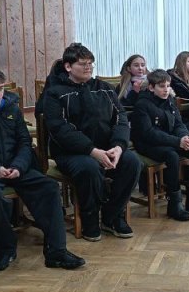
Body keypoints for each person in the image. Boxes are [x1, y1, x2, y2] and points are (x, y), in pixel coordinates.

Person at [0, 67, 85, 271]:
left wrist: (18, 166)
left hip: (15, 168)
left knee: (49, 187)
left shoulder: (12, 109)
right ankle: (6, 248)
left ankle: (56, 251)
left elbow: (25, 142)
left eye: (1, 88)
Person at [41, 43, 141, 242]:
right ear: (68, 67)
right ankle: (90, 218)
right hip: (72, 153)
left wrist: (118, 147)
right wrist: (92, 151)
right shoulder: (55, 93)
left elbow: (120, 118)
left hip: (107, 148)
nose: (88, 67)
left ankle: (112, 215)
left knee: (132, 162)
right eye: (83, 64)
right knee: (89, 168)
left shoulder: (104, 88)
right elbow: (60, 129)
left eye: (90, 63)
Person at [130, 69, 189, 220]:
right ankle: (174, 204)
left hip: (170, 140)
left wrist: (186, 137)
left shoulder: (169, 100)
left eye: (168, 86)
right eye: (161, 86)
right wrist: (178, 142)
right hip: (147, 144)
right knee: (172, 156)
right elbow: (149, 133)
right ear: (151, 87)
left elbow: (178, 124)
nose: (166, 89)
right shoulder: (142, 104)